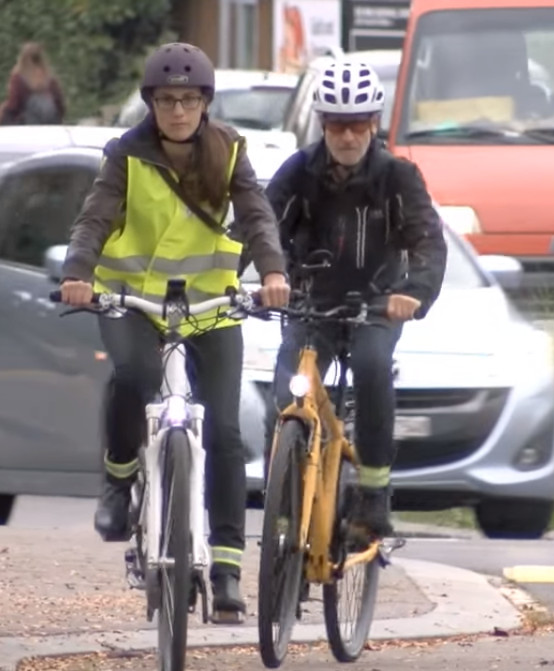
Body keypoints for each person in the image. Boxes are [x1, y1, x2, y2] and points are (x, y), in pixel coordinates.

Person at [59, 42, 291, 622]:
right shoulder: (126, 155)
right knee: (133, 376)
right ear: (151, 104)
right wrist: (77, 273)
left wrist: (273, 271)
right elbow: (94, 217)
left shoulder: (230, 151)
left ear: (206, 103)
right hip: (133, 302)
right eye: (167, 100)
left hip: (211, 305)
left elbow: (258, 215)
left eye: (189, 99)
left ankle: (228, 569)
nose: (179, 110)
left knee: (228, 431)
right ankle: (118, 478)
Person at [262, 60, 447, 540]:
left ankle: (372, 496)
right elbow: (262, 230)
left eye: (358, 124)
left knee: (370, 366)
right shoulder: (299, 172)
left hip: (377, 304)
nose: (348, 136)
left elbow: (428, 243)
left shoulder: (398, 176)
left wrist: (412, 293)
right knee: (288, 391)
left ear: (374, 123)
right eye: (338, 125)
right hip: (311, 304)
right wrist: (269, 275)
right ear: (322, 124)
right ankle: (283, 510)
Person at [0, 42, 66, 126]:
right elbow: (60, 104)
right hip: (51, 122)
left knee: (2, 111)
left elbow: (14, 104)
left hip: (29, 123)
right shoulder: (49, 77)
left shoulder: (19, 77)